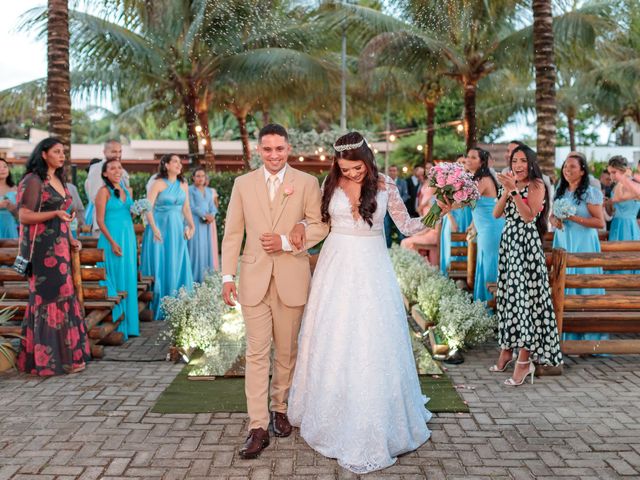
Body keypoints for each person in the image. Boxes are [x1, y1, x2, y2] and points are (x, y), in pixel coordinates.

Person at [288, 131, 432, 473]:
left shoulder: (385, 186)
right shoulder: (330, 182)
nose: (352, 173)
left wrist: (438, 210)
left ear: (367, 160)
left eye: (357, 168)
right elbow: (319, 222)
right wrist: (297, 223)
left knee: (371, 336)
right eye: (345, 168)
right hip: (335, 265)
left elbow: (408, 225)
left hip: (371, 267)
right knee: (334, 334)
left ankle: (376, 416)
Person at [221, 124, 329, 460]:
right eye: (267, 149)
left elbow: (322, 224)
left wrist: (290, 237)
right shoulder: (243, 184)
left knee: (287, 352)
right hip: (253, 279)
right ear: (258, 149)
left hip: (292, 277)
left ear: (288, 148)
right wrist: (227, 276)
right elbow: (232, 233)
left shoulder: (308, 183)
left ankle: (280, 407)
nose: (273, 155)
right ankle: (258, 425)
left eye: (279, 149)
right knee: (256, 354)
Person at [15, 137, 90, 376]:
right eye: (57, 151)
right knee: (48, 299)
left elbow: (63, 217)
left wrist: (70, 240)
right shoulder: (33, 180)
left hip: (60, 249)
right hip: (41, 250)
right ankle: (48, 361)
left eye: (63, 152)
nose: (62, 155)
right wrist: (55, 213)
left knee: (65, 296)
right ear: (44, 154)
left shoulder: (58, 179)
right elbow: (24, 216)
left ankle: (67, 358)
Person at [492, 145, 562, 386]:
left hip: (526, 245)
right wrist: (506, 191)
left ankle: (524, 360)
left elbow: (529, 216)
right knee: (510, 299)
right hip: (508, 243)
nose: (518, 165)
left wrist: (513, 191)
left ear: (531, 163)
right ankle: (508, 351)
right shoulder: (511, 183)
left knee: (526, 301)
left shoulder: (536, 185)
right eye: (514, 161)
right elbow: (496, 214)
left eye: (522, 160)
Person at [140, 154, 195, 320]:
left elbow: (186, 208)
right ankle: (158, 304)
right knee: (161, 263)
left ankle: (178, 303)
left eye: (180, 162)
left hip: (177, 229)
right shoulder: (158, 183)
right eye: (175, 162)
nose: (179, 165)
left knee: (176, 262)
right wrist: (154, 228)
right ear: (166, 165)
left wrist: (191, 225)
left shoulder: (183, 184)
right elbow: (147, 207)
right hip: (160, 229)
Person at [551, 153, 606, 301]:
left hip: (583, 242)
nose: (567, 169)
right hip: (563, 240)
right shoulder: (560, 191)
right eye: (565, 166)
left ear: (582, 171)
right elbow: (552, 215)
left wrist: (572, 218)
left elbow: (599, 222)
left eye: (572, 166)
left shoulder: (590, 193)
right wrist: (554, 221)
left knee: (584, 278)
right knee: (562, 277)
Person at [95, 159, 140, 340]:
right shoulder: (103, 192)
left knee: (128, 277)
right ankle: (115, 323)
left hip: (127, 238)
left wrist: (139, 210)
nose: (117, 171)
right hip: (111, 239)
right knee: (114, 277)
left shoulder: (127, 191)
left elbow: (129, 214)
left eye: (119, 167)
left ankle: (129, 326)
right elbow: (99, 220)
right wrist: (112, 242)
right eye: (112, 168)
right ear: (105, 173)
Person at [465, 148, 504, 302]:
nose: (468, 160)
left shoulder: (483, 180)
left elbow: (466, 200)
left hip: (491, 228)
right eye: (467, 156)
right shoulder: (476, 178)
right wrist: (473, 223)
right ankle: (483, 305)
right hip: (484, 229)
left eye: (473, 157)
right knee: (483, 262)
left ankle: (491, 306)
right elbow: (478, 205)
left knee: (490, 264)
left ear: (481, 162)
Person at [85, 140, 130, 232]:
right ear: (105, 152)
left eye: (120, 151)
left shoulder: (123, 171)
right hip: (104, 223)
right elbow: (94, 197)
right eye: (114, 151)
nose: (118, 155)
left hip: (122, 222)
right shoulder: (97, 168)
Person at [440, 154, 473, 275]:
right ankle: (450, 274)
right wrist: (451, 218)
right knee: (452, 245)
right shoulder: (449, 182)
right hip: (452, 217)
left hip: (467, 216)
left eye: (464, 162)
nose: (462, 165)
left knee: (466, 245)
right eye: (459, 163)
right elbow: (443, 202)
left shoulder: (471, 181)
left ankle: (464, 275)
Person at [607, 156, 640, 274]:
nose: (611, 176)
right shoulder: (616, 185)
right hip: (616, 225)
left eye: (614, 172)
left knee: (628, 257)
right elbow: (613, 209)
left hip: (629, 226)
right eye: (610, 172)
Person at [188, 166, 220, 282]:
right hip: (195, 222)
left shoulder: (208, 190)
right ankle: (194, 277)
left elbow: (213, 206)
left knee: (207, 248)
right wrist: (204, 215)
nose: (200, 178)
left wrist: (212, 215)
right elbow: (191, 206)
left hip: (207, 224)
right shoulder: (189, 190)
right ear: (193, 177)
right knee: (196, 249)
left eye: (202, 176)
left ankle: (206, 277)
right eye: (198, 176)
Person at [383, 165, 409, 247]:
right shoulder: (385, 182)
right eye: (390, 170)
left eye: (394, 170)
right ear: (388, 171)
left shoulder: (403, 182)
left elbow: (406, 195)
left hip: (399, 212)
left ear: (397, 172)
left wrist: (398, 203)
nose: (392, 172)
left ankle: (402, 249)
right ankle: (388, 250)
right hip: (387, 211)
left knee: (400, 231)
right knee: (387, 231)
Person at [0, 157, 18, 238]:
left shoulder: (15, 188)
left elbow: (19, 215)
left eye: (5, 166)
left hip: (10, 228)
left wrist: (13, 208)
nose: (2, 169)